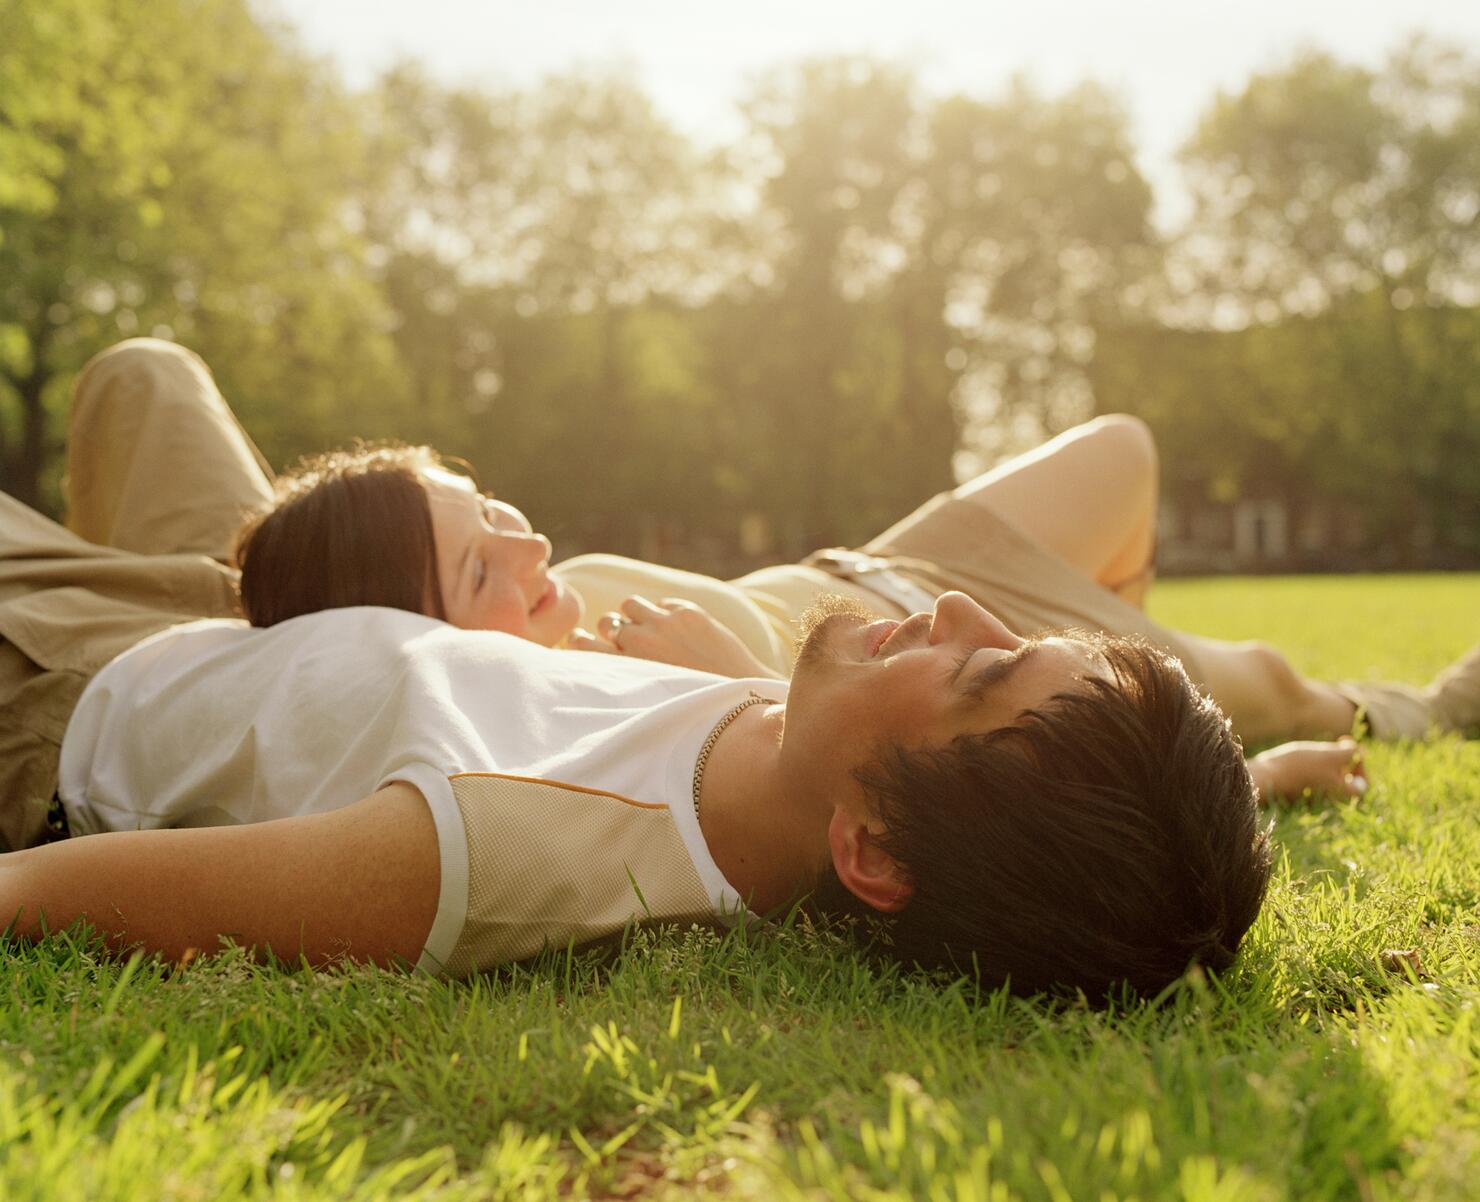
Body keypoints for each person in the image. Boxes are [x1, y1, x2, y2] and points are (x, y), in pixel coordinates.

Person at [9, 337, 1474, 848]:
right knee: (1263, 679)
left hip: (872, 566)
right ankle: (1413, 704)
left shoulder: (499, 603)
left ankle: (1133, 658)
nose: (526, 563)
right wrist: (1246, 776)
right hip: (919, 635)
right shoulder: (544, 709)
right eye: (481, 571)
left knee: (1124, 453)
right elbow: (818, 815)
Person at [9, 582, 1270, 999]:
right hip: (218, 606)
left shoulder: (494, 844)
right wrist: (1253, 782)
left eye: (980, 666)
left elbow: (43, 889)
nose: (953, 605)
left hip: (64, 696)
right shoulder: (801, 758)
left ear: (871, 849)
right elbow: (1086, 841)